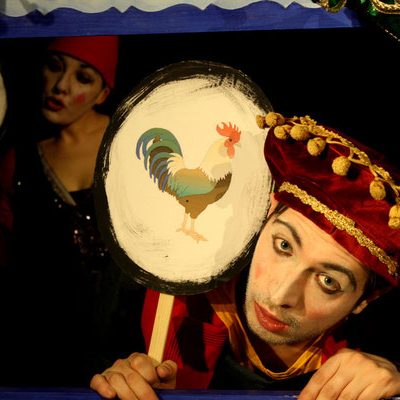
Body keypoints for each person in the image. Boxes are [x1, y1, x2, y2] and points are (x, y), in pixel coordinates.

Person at [90, 112, 400, 400]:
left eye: (327, 281)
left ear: (365, 300)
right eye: (283, 246)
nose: (281, 296)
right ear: (267, 212)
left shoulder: (380, 343)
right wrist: (121, 385)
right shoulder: (152, 292)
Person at [0, 35, 145, 386]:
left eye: (83, 77)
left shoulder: (134, 144)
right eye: (54, 67)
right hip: (41, 348)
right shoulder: (18, 160)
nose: (61, 86)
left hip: (126, 347)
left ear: (102, 93)